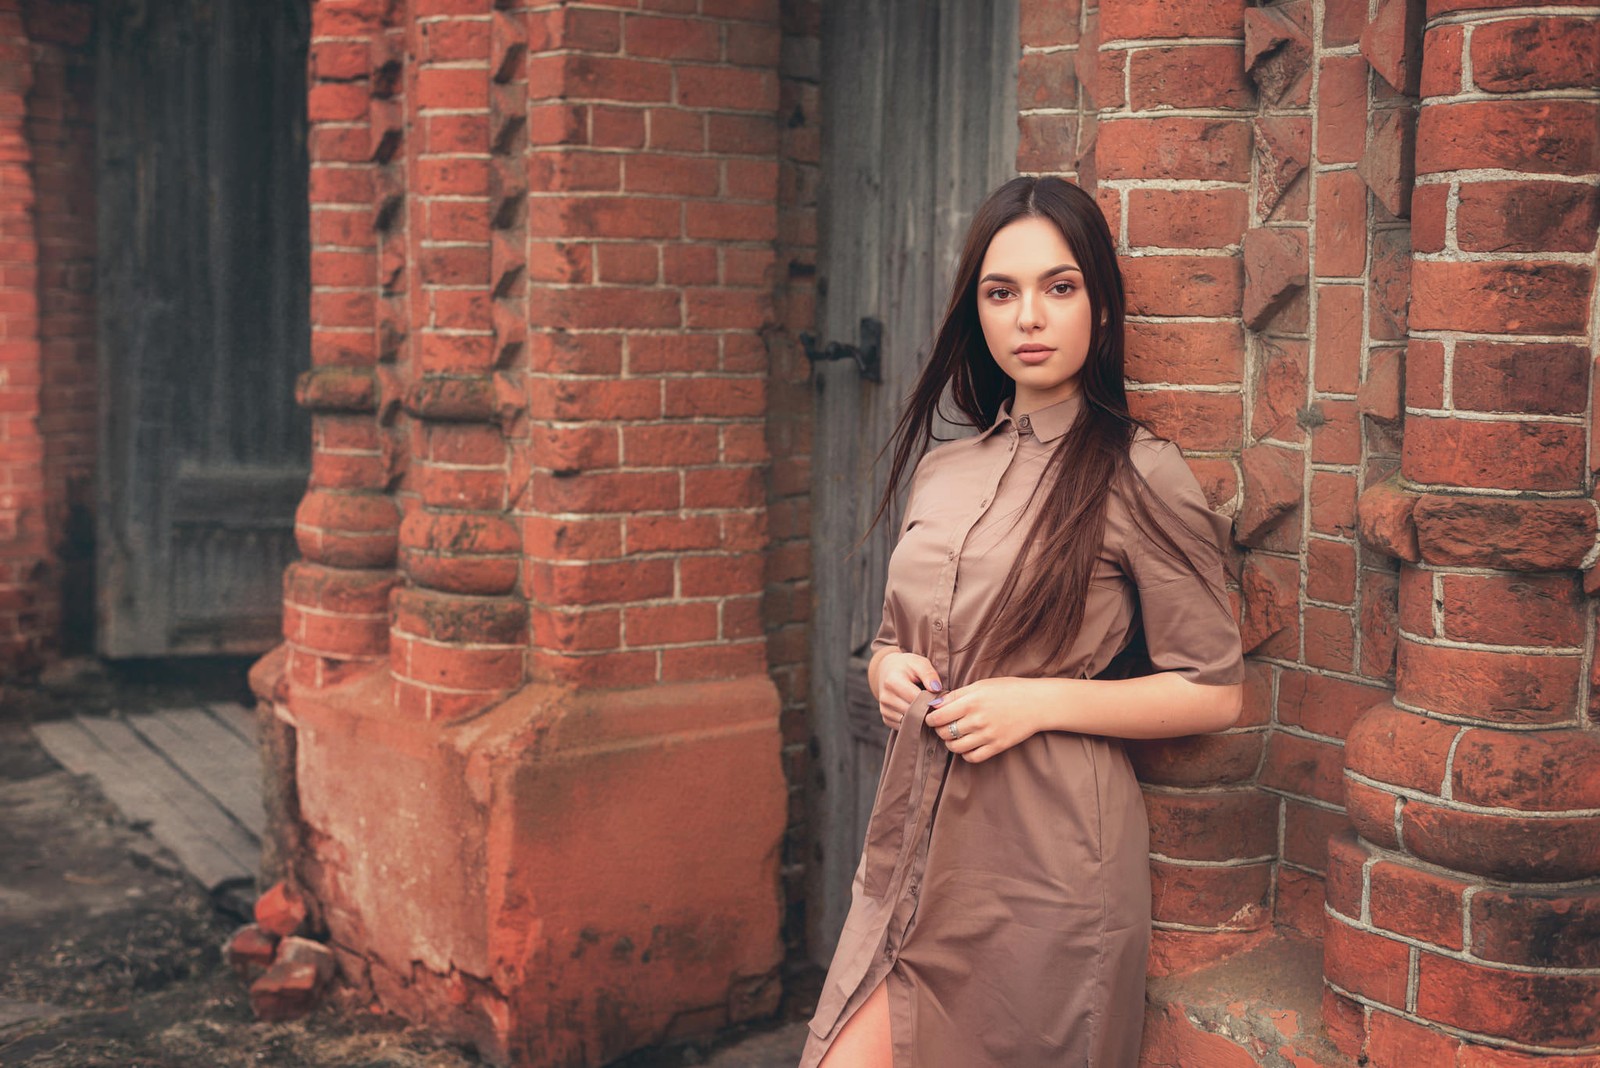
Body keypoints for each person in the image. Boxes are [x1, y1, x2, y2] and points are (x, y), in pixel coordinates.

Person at [798, 176, 1246, 1068]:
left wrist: (1039, 703)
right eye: (1002, 293)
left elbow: (1213, 690)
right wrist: (887, 672)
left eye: (1060, 287)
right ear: (978, 314)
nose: (1029, 316)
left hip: (1050, 871)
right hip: (914, 849)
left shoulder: (1140, 473)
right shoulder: (944, 471)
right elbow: (899, 635)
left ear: (1102, 312)